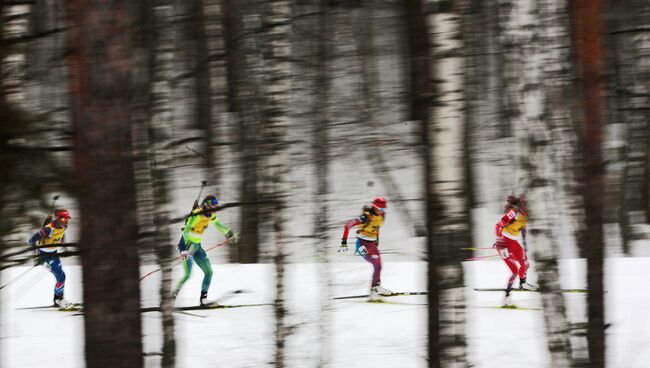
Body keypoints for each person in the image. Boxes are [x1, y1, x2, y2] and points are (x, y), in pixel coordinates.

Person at [172, 195, 239, 305]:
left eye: (216, 207)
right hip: (187, 246)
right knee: (187, 274)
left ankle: (203, 299)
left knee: (209, 272)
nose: (215, 210)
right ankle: (171, 298)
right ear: (207, 205)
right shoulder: (197, 215)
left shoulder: (210, 215)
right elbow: (185, 231)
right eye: (213, 207)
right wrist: (183, 250)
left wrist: (229, 233)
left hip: (197, 247)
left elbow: (218, 224)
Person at [340, 196, 393, 301]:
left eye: (384, 209)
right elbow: (347, 225)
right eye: (380, 209)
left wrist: (377, 240)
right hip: (361, 245)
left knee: (379, 266)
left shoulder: (382, 216)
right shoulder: (365, 217)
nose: (382, 211)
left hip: (372, 244)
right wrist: (344, 243)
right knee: (376, 264)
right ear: (374, 206)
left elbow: (376, 227)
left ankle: (376, 289)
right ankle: (374, 290)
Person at [494, 194, 537, 307]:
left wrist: (524, 242)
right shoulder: (513, 212)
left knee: (526, 264)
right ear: (521, 204)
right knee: (514, 271)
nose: (527, 206)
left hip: (513, 243)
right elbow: (498, 225)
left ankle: (523, 284)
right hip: (504, 243)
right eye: (525, 203)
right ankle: (507, 298)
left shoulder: (526, 216)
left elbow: (522, 229)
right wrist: (498, 239)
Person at [28, 209, 73, 308]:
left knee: (60, 277)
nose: (64, 222)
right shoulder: (48, 229)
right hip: (43, 257)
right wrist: (35, 257)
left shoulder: (63, 227)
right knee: (62, 276)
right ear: (57, 218)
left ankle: (58, 299)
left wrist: (64, 245)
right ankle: (59, 299)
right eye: (62, 219)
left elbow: (61, 234)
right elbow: (31, 240)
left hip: (54, 254)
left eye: (67, 220)